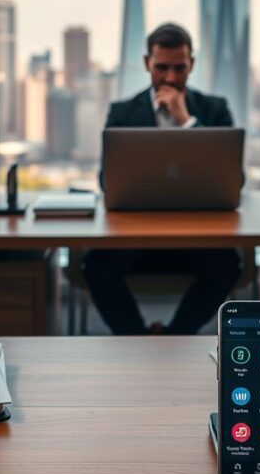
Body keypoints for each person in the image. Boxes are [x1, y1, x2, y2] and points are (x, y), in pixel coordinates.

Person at [83, 22, 241, 335]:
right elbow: (106, 181)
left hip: (196, 236)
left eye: (179, 68)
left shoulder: (214, 110)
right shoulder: (122, 113)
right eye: (161, 68)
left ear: (192, 65)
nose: (170, 78)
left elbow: (235, 180)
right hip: (135, 236)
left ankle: (174, 338)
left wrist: (186, 121)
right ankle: (138, 339)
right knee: (95, 266)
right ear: (147, 64)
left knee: (228, 265)